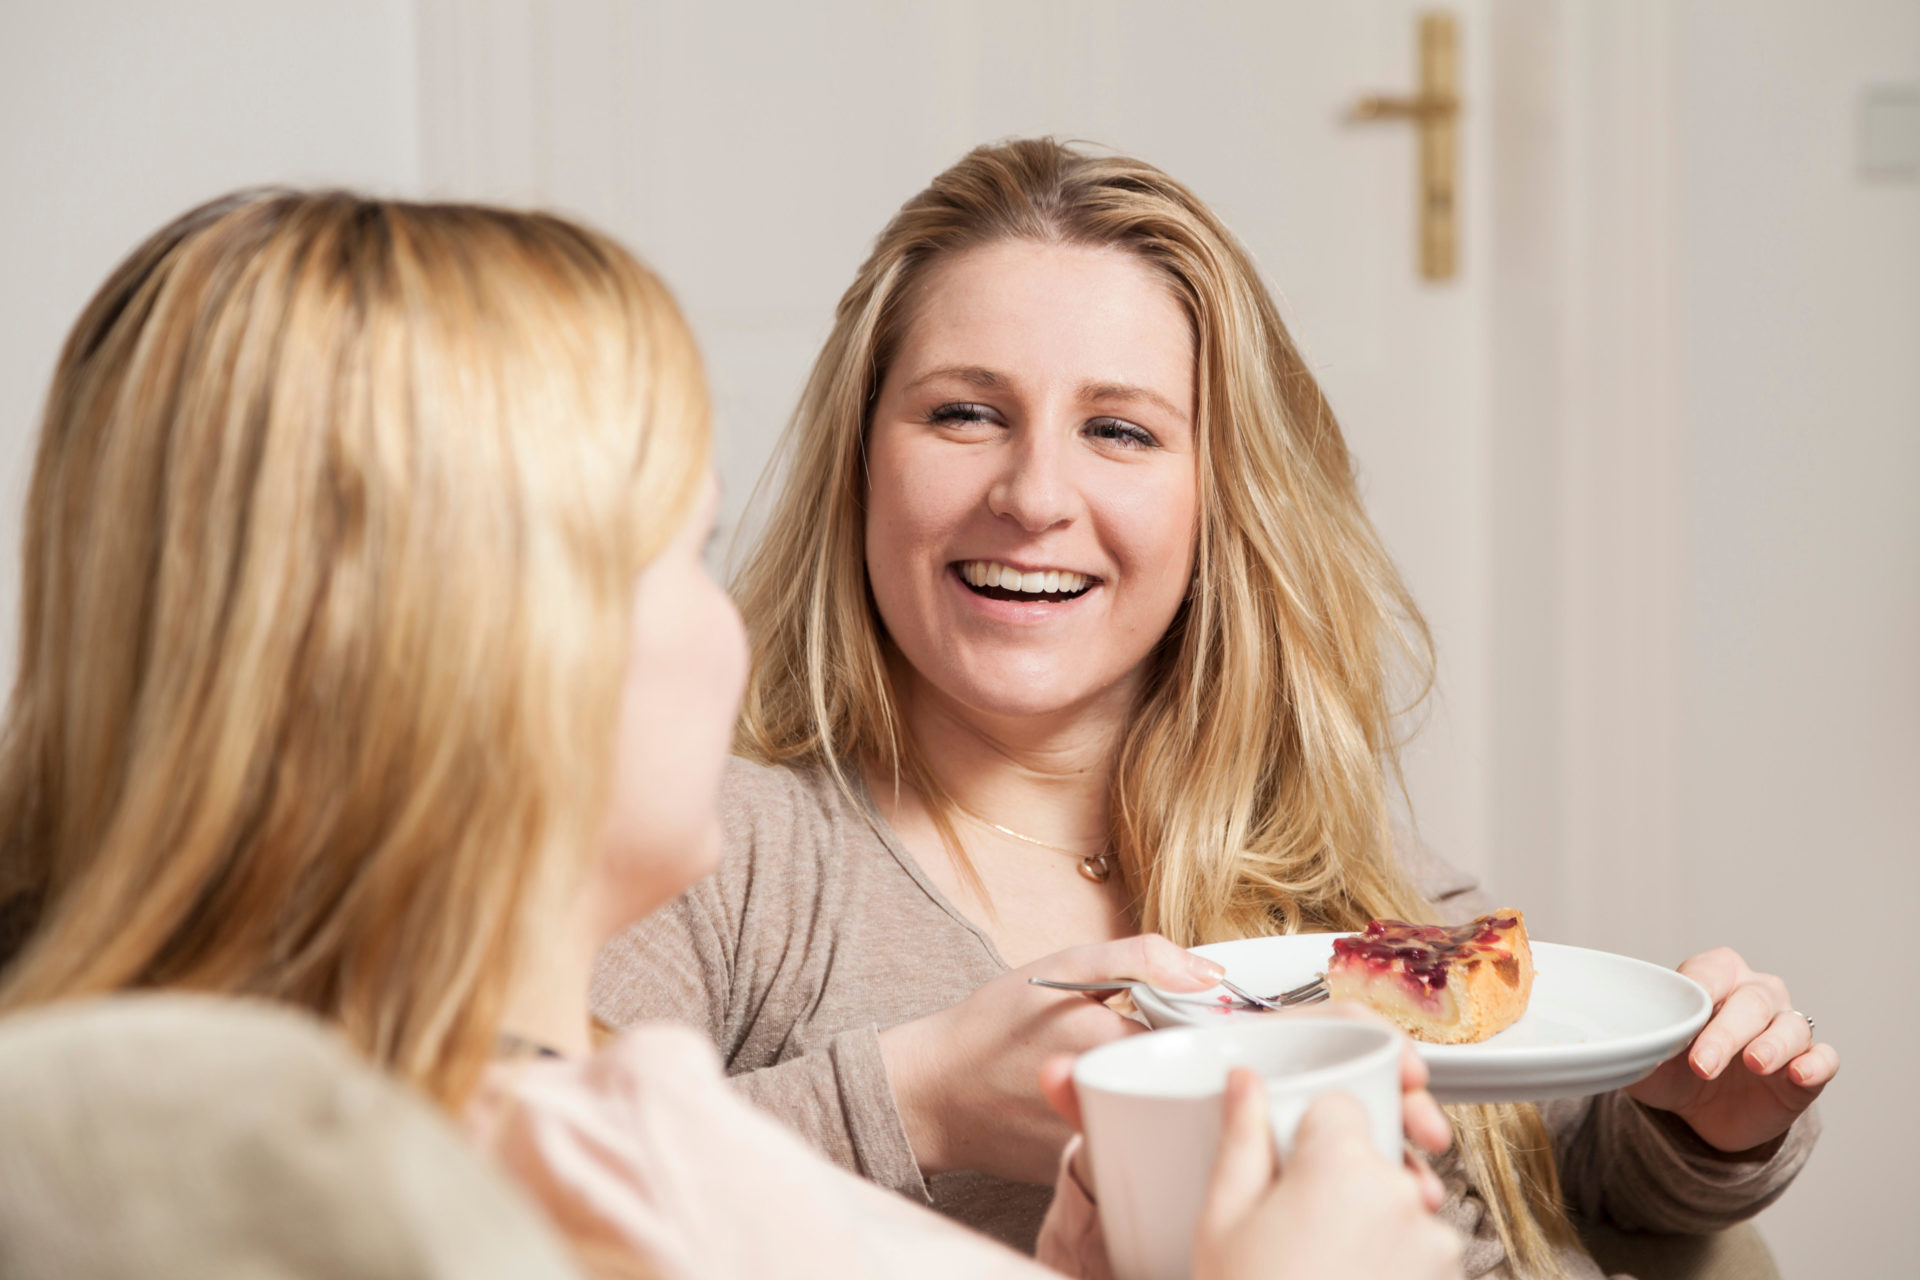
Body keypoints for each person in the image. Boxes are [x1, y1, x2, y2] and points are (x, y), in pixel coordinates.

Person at [0, 190, 1461, 1280]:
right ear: (480, 648)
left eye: (1122, 430)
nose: (737, 626)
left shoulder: (601, 1120)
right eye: (683, 554)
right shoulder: (486, 1171)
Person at [590, 138, 1837, 1277]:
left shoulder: (1332, 863)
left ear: (1217, 502)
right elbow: (522, 1197)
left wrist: (1698, 1126)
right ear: (864, 453)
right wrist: (919, 1101)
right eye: (965, 413)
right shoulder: (713, 847)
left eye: (1119, 430)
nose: (1033, 494)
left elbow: (1565, 1175)